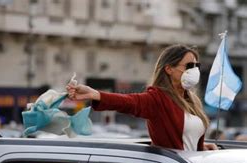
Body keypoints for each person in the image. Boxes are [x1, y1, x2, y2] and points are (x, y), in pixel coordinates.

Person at [66, 44, 218, 151]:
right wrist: (96, 94)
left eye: (197, 66)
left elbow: (187, 140)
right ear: (169, 69)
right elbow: (130, 102)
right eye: (189, 66)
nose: (195, 70)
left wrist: (201, 149)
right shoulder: (158, 98)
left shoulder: (192, 100)